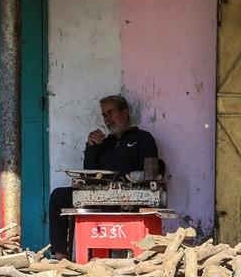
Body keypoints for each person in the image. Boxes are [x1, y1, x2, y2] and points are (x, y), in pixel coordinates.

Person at [48, 94, 159, 259]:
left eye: (111, 113)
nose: (107, 119)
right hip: (100, 197)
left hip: (130, 198)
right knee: (58, 196)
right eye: (104, 115)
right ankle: (60, 257)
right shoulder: (104, 143)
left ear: (125, 112)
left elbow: (152, 173)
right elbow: (89, 174)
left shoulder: (143, 138)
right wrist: (91, 147)